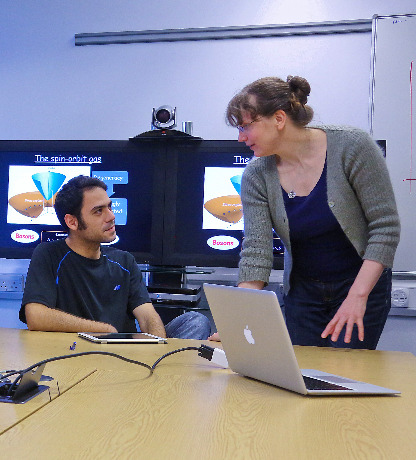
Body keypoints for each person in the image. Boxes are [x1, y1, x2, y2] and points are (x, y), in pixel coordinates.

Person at [220, 75, 400, 349]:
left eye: (246, 126)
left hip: (361, 285)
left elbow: (385, 227)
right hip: (303, 291)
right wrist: (238, 317)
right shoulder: (256, 175)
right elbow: (256, 250)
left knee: (345, 374)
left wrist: (358, 296)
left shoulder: (352, 146)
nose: (240, 137)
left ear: (279, 119)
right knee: (301, 374)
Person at [20, 175, 211, 339]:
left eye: (109, 207)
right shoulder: (49, 254)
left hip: (124, 352)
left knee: (196, 321)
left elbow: (146, 316)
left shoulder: (124, 261)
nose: (111, 216)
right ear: (72, 221)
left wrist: (157, 348)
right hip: (77, 353)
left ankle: (160, 375)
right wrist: (105, 330)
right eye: (98, 211)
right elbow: (36, 316)